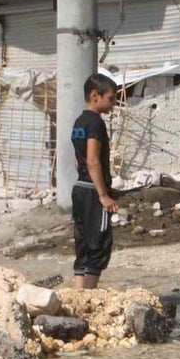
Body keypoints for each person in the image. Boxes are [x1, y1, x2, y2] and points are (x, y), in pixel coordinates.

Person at [71, 74, 120, 290]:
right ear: (95, 95)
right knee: (98, 244)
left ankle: (79, 294)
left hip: (79, 189)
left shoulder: (79, 122)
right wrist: (103, 195)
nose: (113, 103)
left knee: (82, 244)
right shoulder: (96, 123)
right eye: (110, 98)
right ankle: (89, 295)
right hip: (92, 193)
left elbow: (77, 161)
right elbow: (92, 160)